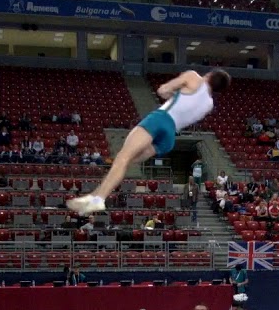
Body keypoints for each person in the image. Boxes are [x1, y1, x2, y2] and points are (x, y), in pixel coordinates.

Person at [66, 68, 231, 216]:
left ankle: (98, 198)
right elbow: (187, 108)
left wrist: (172, 94)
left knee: (123, 157)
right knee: (125, 161)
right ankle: (99, 193)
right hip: (170, 137)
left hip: (160, 119)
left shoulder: (193, 77)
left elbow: (163, 90)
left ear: (209, 75)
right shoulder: (209, 104)